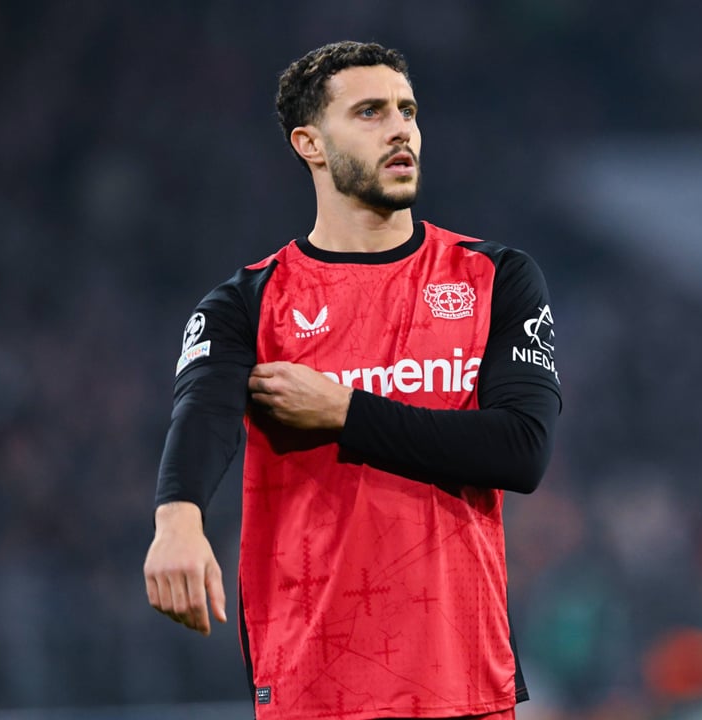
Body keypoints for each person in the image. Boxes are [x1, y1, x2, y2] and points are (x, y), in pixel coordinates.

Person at [142, 41, 561, 720]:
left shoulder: (495, 277)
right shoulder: (248, 302)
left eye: (407, 111)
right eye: (370, 112)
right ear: (309, 143)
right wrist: (178, 520)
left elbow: (521, 450)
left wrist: (345, 411)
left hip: (464, 683)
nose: (400, 129)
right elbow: (202, 413)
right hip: (315, 686)